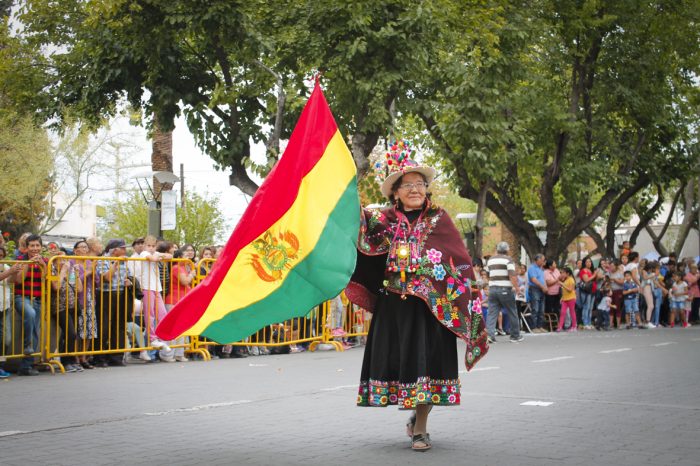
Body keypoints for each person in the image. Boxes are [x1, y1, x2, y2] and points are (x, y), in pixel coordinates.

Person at [345, 144, 487, 452]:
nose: (415, 189)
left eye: (420, 184)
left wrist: (468, 294)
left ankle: (421, 428)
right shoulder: (379, 220)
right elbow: (351, 230)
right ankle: (414, 417)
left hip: (433, 308)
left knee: (431, 366)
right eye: (408, 185)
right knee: (405, 365)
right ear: (395, 192)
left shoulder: (440, 219)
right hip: (394, 307)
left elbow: (458, 258)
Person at [94, 239, 134, 367]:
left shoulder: (124, 261)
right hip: (105, 294)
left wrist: (129, 281)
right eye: (123, 248)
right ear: (115, 250)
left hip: (121, 294)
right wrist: (116, 263)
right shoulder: (102, 260)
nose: (125, 250)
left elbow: (128, 275)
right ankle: (100, 357)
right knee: (104, 326)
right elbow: (106, 277)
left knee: (120, 327)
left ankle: (116, 357)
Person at [11, 234, 46, 376]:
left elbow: (48, 280)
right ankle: (27, 347)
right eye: (32, 246)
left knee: (35, 331)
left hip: (38, 298)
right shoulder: (20, 260)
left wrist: (42, 265)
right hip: (22, 297)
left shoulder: (46, 260)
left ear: (41, 247)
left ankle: (26, 366)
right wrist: (28, 263)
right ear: (27, 247)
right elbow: (19, 280)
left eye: (37, 245)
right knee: (30, 314)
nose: (35, 248)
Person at [137, 236, 173, 358]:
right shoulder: (143, 253)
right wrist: (158, 256)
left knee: (162, 313)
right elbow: (152, 258)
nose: (151, 248)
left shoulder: (156, 253)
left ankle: (161, 337)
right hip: (146, 286)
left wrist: (160, 255)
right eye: (149, 246)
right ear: (145, 246)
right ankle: (152, 338)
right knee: (150, 313)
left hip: (156, 287)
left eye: (153, 246)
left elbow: (170, 256)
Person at [485, 241, 523, 343]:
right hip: (505, 289)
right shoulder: (508, 260)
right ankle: (515, 335)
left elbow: (488, 274)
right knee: (512, 311)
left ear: (497, 249)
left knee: (492, 313)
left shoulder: (490, 260)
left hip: (493, 288)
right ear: (507, 250)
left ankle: (489, 335)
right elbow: (512, 275)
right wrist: (517, 288)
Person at [527, 254, 548, 333]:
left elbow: (543, 279)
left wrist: (545, 287)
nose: (543, 262)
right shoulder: (532, 268)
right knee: (535, 308)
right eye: (542, 260)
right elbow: (533, 279)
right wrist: (542, 287)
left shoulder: (541, 269)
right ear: (538, 260)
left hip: (541, 289)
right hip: (535, 289)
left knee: (541, 309)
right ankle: (534, 327)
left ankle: (540, 326)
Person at [578, 256, 596, 330]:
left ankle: (589, 322)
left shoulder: (591, 270)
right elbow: (586, 280)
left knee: (590, 308)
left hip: (593, 291)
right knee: (586, 307)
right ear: (584, 263)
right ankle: (585, 323)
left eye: (590, 261)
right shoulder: (583, 271)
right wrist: (594, 275)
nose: (589, 263)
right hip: (586, 291)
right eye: (587, 262)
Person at [556, 267, 577, 332]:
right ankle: (560, 327)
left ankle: (574, 327)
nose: (562, 274)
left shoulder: (571, 280)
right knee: (562, 312)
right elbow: (565, 291)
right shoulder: (566, 280)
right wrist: (562, 298)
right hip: (565, 299)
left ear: (567, 273)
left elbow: (570, 290)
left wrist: (562, 284)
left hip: (571, 298)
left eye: (563, 273)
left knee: (572, 312)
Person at [609, 259, 625, 329]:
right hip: (610, 291)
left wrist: (615, 280)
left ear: (616, 266)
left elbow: (622, 282)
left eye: (612, 266)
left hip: (618, 291)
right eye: (610, 266)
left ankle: (618, 324)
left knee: (618, 307)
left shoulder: (620, 273)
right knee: (610, 307)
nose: (611, 267)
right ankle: (611, 323)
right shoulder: (608, 273)